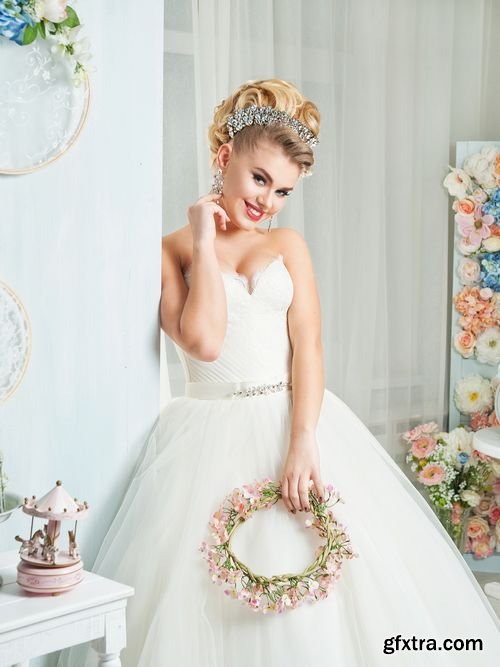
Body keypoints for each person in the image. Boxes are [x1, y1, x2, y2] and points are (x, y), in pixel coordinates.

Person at [57, 79, 500, 666]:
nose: (267, 202)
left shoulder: (288, 244)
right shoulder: (171, 251)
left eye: (283, 190)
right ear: (224, 158)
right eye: (260, 178)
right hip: (205, 436)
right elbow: (206, 343)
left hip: (296, 422)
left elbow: (309, 346)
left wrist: (302, 441)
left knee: (326, 595)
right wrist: (204, 239)